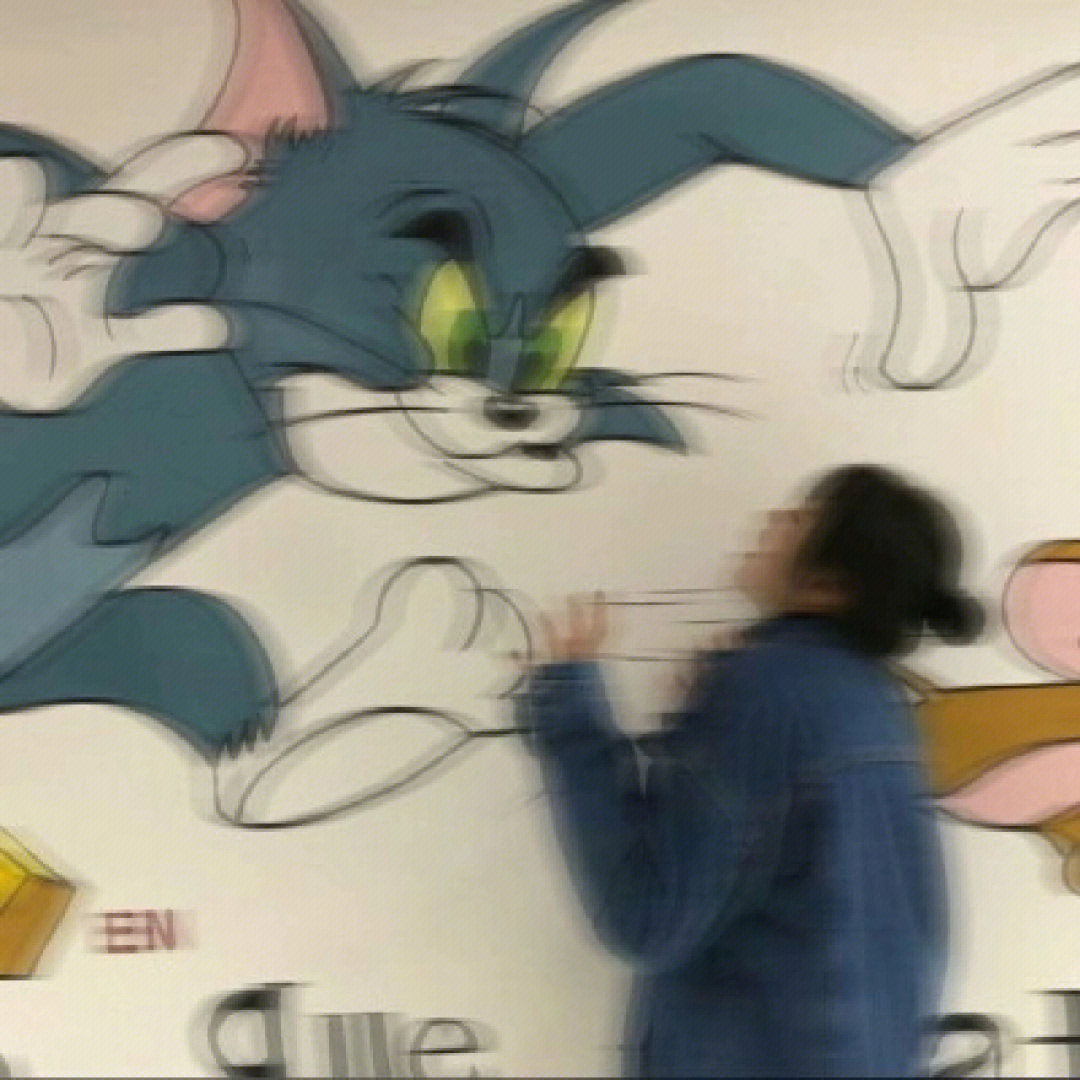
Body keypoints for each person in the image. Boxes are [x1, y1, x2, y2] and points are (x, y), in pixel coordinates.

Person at [516, 464, 984, 1078]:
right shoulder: (880, 707)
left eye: (801, 517)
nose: (774, 521)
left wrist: (568, 711)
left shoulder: (765, 691)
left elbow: (645, 914)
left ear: (829, 585)